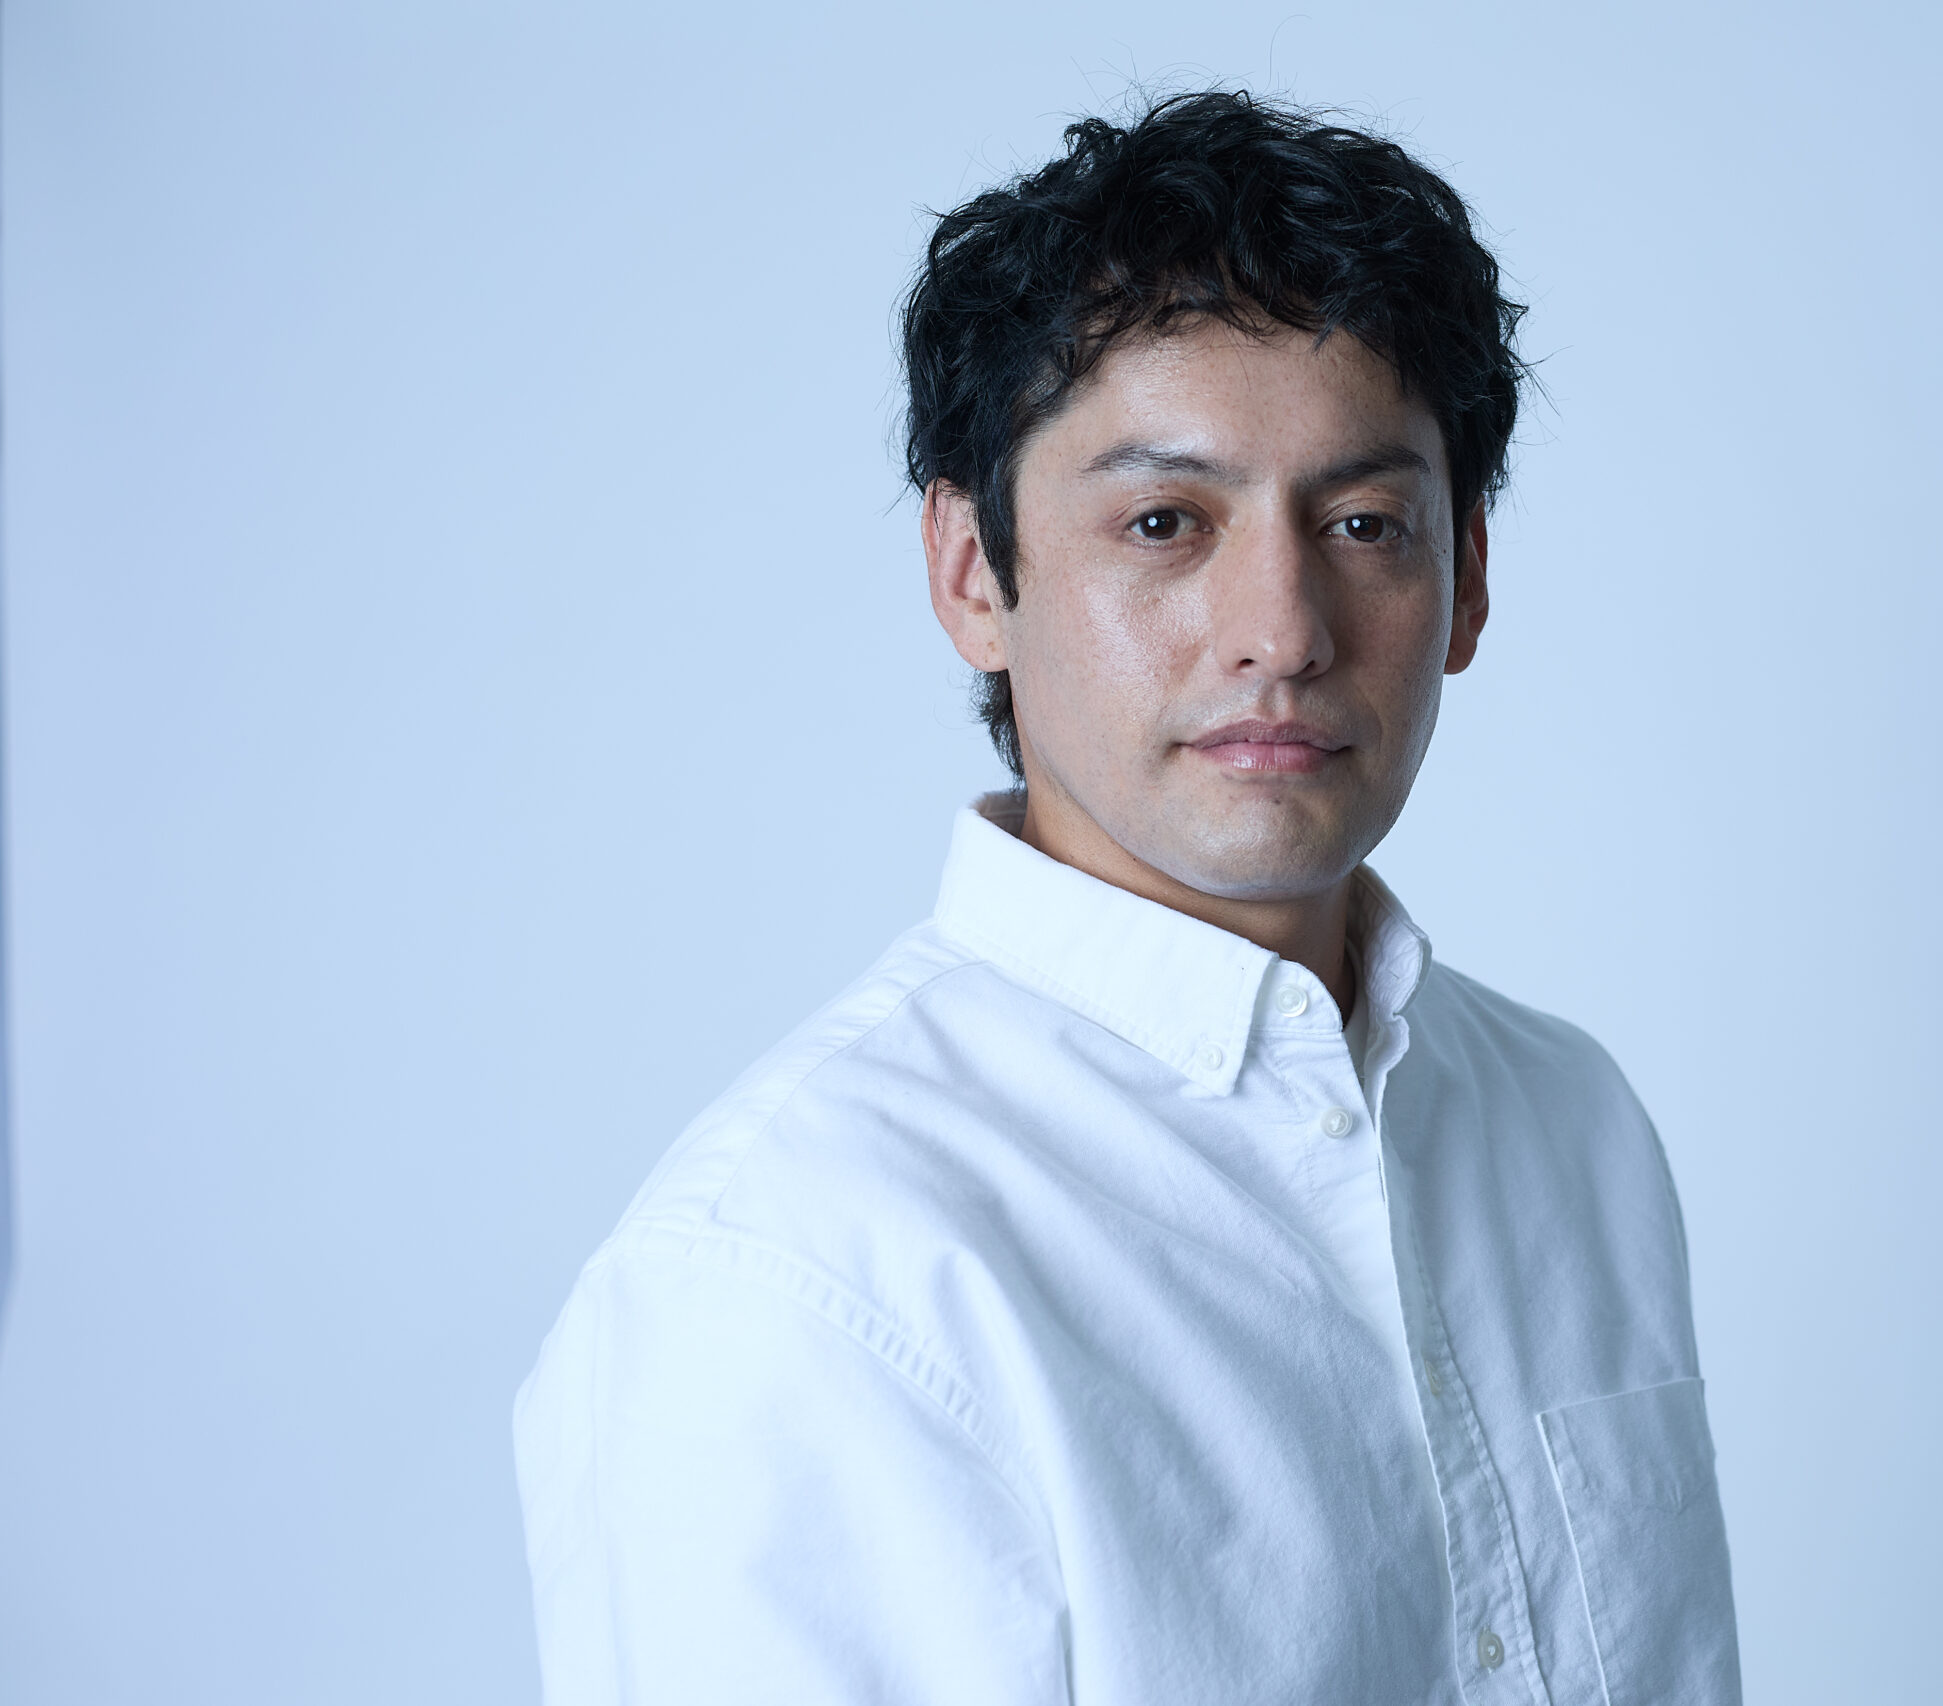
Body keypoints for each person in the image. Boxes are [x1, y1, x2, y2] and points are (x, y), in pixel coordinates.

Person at [514, 89, 1741, 1705]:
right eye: (1165, 522)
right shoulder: (796, 1275)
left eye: (1364, 522)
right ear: (975, 573)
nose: (1281, 628)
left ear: (1468, 580)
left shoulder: (1569, 1128)